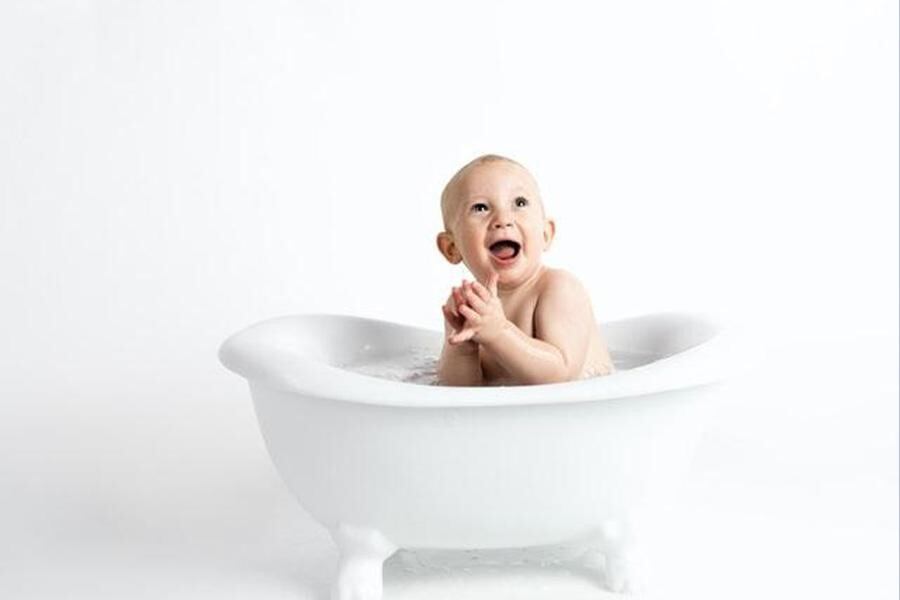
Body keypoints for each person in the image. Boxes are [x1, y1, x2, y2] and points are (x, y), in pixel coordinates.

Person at [436, 154, 615, 386]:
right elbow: (458, 389)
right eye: (480, 208)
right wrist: (463, 350)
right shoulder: (470, 306)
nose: (503, 219)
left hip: (586, 413)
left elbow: (561, 375)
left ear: (546, 233)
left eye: (519, 203)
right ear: (451, 248)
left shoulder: (559, 288)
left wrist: (499, 333)